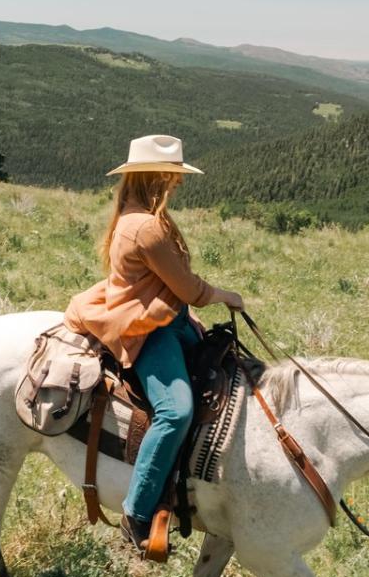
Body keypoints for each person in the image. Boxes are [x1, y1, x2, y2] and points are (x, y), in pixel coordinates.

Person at [64, 134, 245, 553]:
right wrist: (224, 297)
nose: (178, 183)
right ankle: (137, 512)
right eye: (172, 175)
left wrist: (186, 312)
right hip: (149, 328)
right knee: (177, 410)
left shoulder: (138, 216)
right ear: (156, 177)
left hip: (167, 315)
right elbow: (188, 286)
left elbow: (168, 287)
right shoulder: (146, 225)